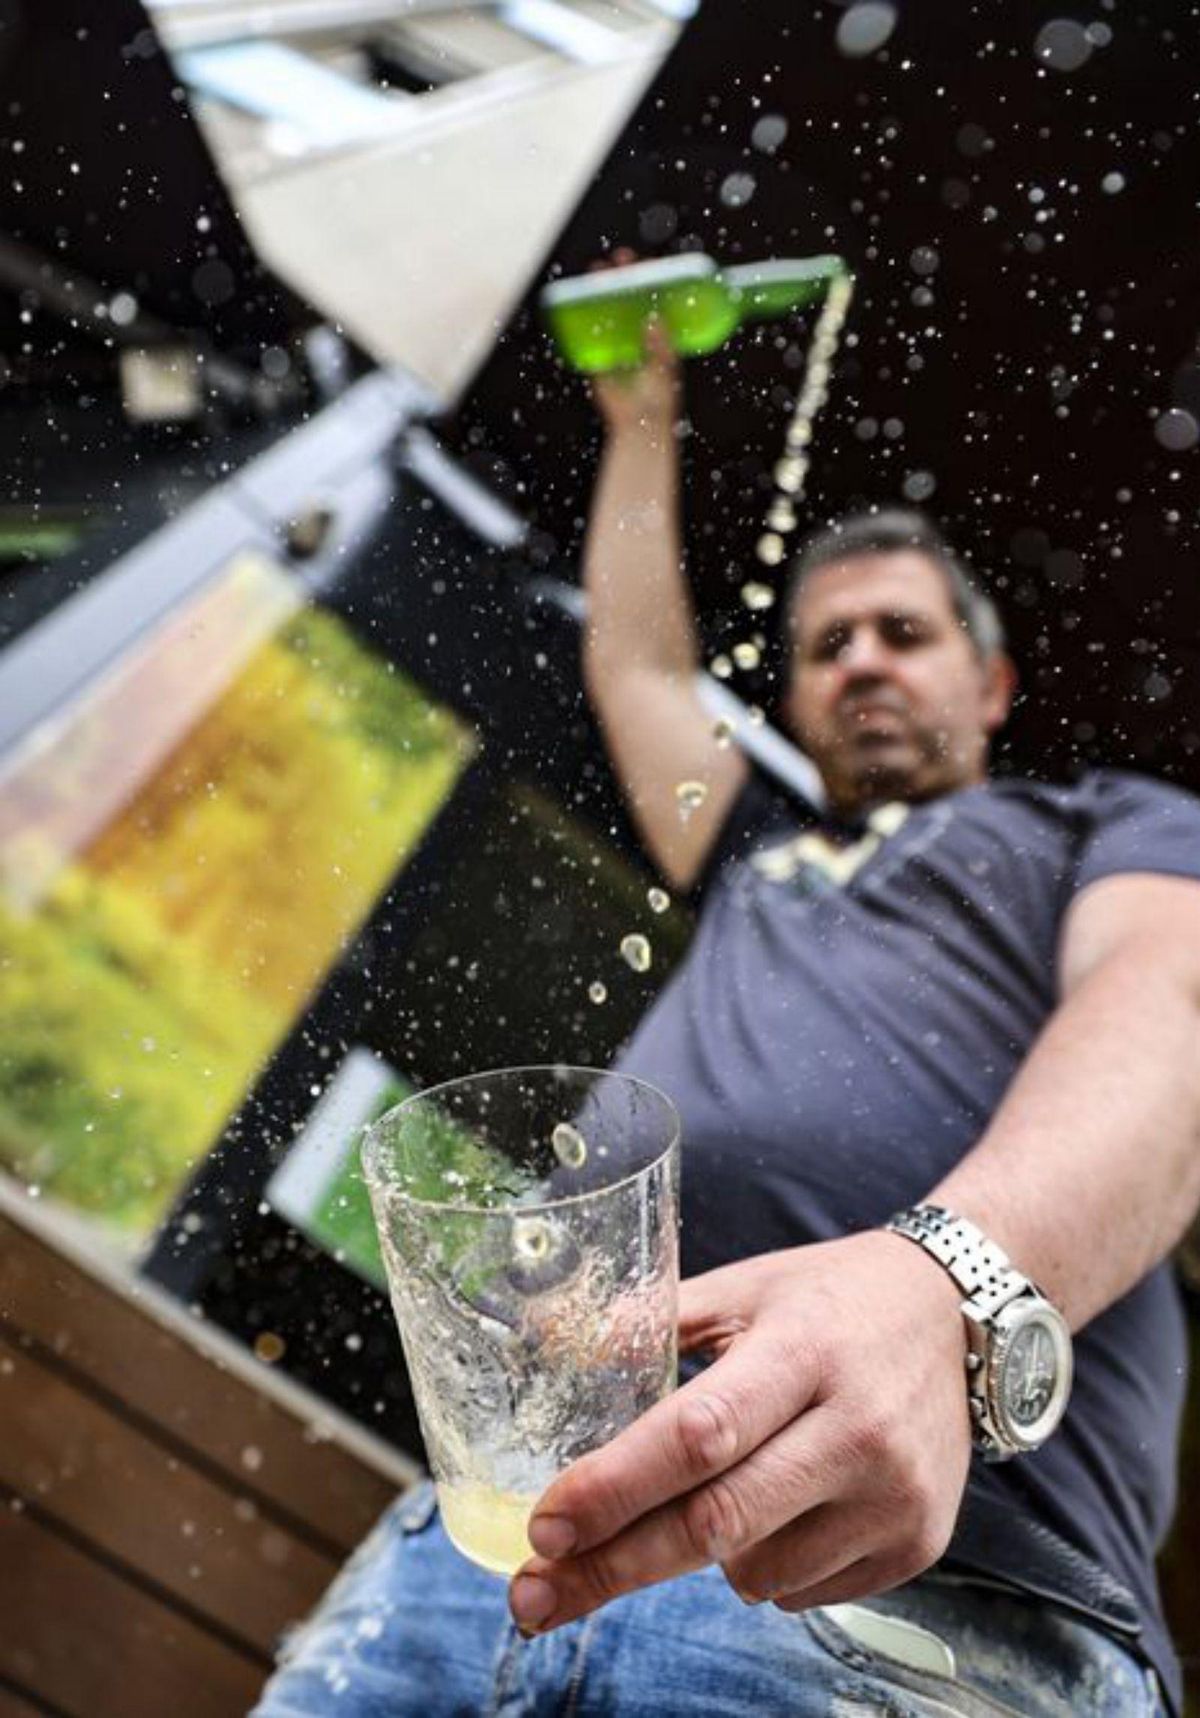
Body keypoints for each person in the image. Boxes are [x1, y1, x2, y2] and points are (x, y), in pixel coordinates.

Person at [253, 325, 1200, 1717]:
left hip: (942, 1596)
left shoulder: (1106, 825)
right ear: (798, 699)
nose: (863, 662)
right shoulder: (753, 846)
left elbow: (1171, 1024)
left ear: (990, 687)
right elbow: (637, 669)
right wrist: (641, 423)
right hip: (488, 1545)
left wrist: (942, 1289)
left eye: (904, 634)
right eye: (826, 647)